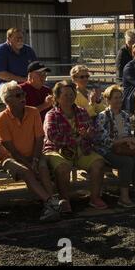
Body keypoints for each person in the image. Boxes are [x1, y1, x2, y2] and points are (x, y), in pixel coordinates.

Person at [0, 81, 60, 221]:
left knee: (42, 168)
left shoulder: (33, 111)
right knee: (27, 171)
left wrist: (35, 159)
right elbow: (10, 149)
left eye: (23, 94)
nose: (23, 97)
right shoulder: (1, 118)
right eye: (18, 95)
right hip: (10, 159)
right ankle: (51, 202)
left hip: (35, 154)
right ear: (7, 100)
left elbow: (39, 139)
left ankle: (50, 206)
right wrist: (30, 164)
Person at [44, 81, 107, 211]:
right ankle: (64, 200)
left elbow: (92, 132)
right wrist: (77, 139)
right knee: (62, 168)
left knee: (98, 163)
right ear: (57, 97)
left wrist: (89, 134)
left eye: (72, 94)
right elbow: (53, 137)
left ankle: (95, 198)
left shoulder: (82, 111)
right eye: (65, 94)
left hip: (81, 149)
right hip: (57, 150)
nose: (70, 97)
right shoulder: (52, 115)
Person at [95, 85, 135, 207]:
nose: (119, 100)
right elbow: (104, 140)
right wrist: (127, 140)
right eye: (115, 98)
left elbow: (125, 133)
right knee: (127, 162)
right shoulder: (103, 116)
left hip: (122, 149)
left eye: (120, 97)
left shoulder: (124, 115)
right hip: (106, 150)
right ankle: (123, 197)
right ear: (108, 100)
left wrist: (130, 142)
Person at [0, 28, 37, 98]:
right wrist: (25, 80)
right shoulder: (1, 50)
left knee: (44, 90)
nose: (20, 40)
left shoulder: (29, 50)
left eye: (21, 37)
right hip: (4, 84)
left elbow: (36, 69)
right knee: (13, 91)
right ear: (9, 39)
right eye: (17, 38)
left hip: (26, 83)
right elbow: (1, 74)